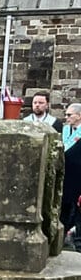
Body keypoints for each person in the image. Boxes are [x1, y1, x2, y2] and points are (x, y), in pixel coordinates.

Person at [61, 103, 81, 245]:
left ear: (79, 116)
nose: (66, 117)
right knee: (65, 208)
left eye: (69, 115)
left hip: (79, 177)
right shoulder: (65, 130)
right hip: (66, 177)